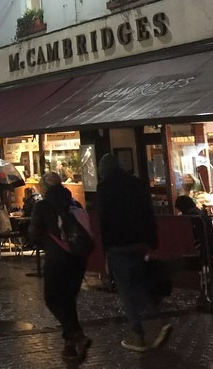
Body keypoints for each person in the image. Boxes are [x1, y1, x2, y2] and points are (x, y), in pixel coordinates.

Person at [97, 153, 172, 352]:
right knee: (138, 282)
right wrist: (151, 239)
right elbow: (147, 212)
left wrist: (105, 248)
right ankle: (158, 321)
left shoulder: (104, 187)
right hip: (139, 241)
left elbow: (104, 220)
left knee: (127, 290)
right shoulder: (136, 184)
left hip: (118, 244)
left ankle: (139, 334)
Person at [29, 183, 92, 363]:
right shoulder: (75, 204)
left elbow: (33, 233)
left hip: (57, 259)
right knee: (68, 300)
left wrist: (40, 240)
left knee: (52, 298)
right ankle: (70, 346)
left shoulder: (43, 206)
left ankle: (76, 335)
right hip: (79, 259)